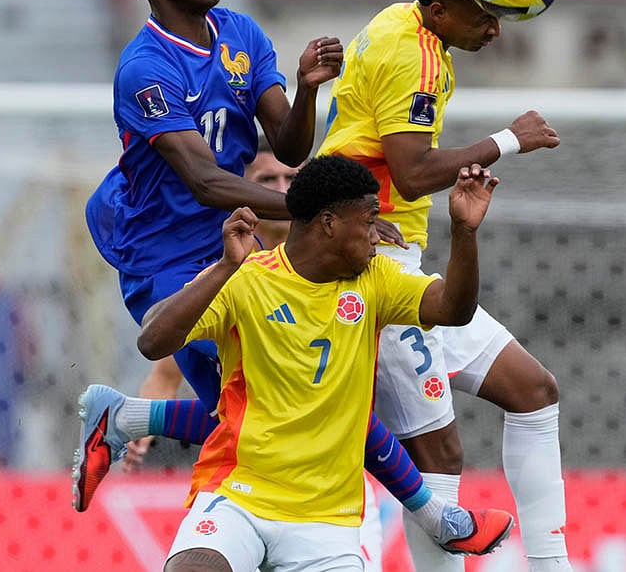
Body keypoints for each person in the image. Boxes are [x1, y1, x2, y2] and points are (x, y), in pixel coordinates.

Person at [72, 0, 511, 557]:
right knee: (278, 403)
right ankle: (433, 516)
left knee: (302, 388)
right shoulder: (144, 69)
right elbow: (203, 180)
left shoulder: (241, 34)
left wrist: (305, 91)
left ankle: (127, 420)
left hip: (239, 236)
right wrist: (308, 210)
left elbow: (290, 144)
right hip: (163, 252)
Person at [315, 0, 572, 572]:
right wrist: (510, 139)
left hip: (392, 253)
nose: (495, 30)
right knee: (438, 457)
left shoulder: (398, 23)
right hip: (370, 268)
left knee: (533, 391)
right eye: (485, 16)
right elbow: (411, 173)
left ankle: (551, 562)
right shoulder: (418, 58)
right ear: (439, 8)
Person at [138, 155, 503, 572]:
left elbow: (454, 309)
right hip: (239, 493)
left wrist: (464, 231)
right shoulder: (246, 278)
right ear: (329, 223)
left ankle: (125, 416)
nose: (375, 235)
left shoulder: (376, 280)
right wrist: (223, 268)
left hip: (326, 521)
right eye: (368, 222)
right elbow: (152, 341)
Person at [122, 143, 385, 570]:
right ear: (242, 192)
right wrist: (149, 411)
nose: (282, 192)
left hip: (326, 495)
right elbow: (167, 357)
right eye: (268, 181)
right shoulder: (231, 266)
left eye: (292, 181)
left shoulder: (359, 266)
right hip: (246, 482)